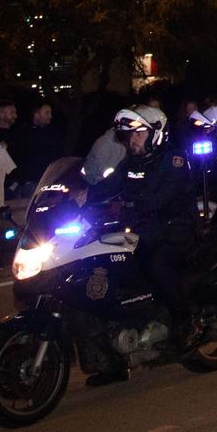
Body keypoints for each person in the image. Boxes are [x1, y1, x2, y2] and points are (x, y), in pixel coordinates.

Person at [85, 107, 202, 374]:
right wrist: (77, 197)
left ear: (156, 134)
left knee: (156, 265)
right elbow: (107, 186)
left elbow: (158, 198)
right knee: (103, 271)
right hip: (141, 231)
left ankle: (185, 320)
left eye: (138, 134)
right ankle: (114, 353)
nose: (132, 140)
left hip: (175, 232)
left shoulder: (174, 160)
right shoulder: (132, 161)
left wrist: (127, 205)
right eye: (129, 135)